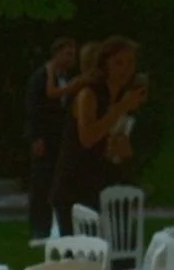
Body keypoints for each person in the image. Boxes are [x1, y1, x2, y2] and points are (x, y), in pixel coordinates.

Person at [54, 35, 147, 226]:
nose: (125, 69)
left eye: (130, 63)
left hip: (107, 181)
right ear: (105, 64)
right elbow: (87, 138)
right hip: (76, 183)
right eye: (118, 63)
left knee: (120, 247)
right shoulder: (89, 93)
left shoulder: (123, 95)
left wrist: (124, 149)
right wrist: (121, 108)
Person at [24, 35, 77, 238]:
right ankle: (39, 228)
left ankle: (60, 227)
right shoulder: (42, 77)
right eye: (67, 54)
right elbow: (33, 107)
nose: (71, 58)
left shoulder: (67, 77)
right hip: (44, 138)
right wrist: (36, 137)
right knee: (41, 184)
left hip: (60, 138)